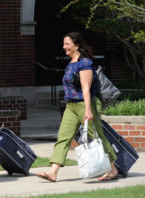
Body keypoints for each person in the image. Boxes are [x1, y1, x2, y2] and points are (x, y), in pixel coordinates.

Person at [36, 32, 118, 182]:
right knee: (63, 137)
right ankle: (53, 172)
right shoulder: (71, 63)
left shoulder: (85, 63)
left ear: (77, 45)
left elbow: (86, 88)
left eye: (67, 44)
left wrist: (88, 110)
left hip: (85, 104)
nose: (64, 47)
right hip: (71, 106)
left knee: (96, 137)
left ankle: (112, 169)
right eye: (64, 44)